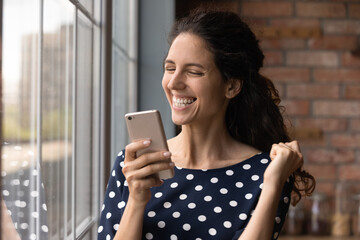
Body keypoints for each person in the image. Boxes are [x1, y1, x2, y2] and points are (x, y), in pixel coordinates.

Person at [98, 9, 315, 240]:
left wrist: (273, 183)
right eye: (170, 68)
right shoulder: (135, 165)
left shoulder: (268, 172)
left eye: (193, 72)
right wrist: (136, 200)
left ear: (231, 86)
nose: (173, 83)